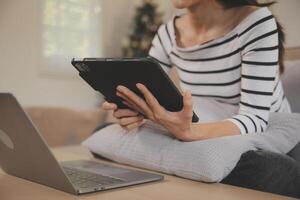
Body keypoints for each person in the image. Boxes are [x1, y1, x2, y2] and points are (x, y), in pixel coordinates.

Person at [101, 0, 300, 197]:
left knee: (264, 169)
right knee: (101, 132)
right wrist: (133, 110)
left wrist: (188, 132)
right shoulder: (168, 32)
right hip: (207, 128)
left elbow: (255, 119)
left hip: (270, 138)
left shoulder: (257, 22)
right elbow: (146, 91)